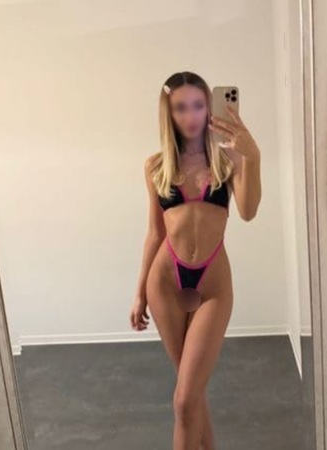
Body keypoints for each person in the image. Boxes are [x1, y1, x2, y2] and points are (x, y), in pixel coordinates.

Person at [130, 71, 261, 450]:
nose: (191, 116)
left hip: (212, 284)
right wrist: (139, 292)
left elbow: (248, 211)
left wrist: (252, 157)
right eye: (180, 108)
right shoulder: (156, 166)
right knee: (191, 394)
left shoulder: (228, 159)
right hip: (165, 281)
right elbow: (155, 233)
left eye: (199, 105)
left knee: (185, 398)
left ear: (209, 107)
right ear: (168, 113)